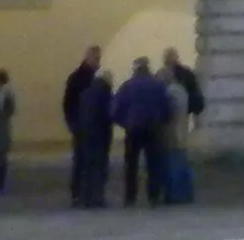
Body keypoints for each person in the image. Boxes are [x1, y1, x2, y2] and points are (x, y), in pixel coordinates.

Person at [111, 58, 170, 207]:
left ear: (135, 69)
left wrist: (124, 123)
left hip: (134, 129)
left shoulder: (128, 86)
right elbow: (166, 107)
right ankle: (154, 196)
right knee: (153, 164)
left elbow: (116, 108)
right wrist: (161, 122)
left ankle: (130, 197)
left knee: (131, 164)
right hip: (153, 128)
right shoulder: (158, 85)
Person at [62, 46, 101, 203]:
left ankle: (84, 193)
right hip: (83, 125)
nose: (99, 62)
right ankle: (80, 193)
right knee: (82, 160)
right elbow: (68, 103)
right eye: (97, 59)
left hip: (87, 125)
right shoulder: (80, 78)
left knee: (86, 160)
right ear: (88, 58)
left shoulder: (89, 77)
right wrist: (73, 122)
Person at [73, 71, 115, 208]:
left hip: (84, 134)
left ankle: (84, 197)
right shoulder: (105, 94)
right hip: (99, 134)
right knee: (98, 166)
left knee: (86, 166)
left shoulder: (85, 92)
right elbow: (107, 115)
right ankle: (97, 198)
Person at [159, 64, 194, 205]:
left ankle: (175, 195)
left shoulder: (171, 92)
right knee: (182, 164)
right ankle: (186, 194)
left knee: (173, 165)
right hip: (181, 132)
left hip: (173, 134)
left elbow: (169, 113)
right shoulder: (181, 90)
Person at [161, 47, 205, 128]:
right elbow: (195, 93)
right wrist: (196, 115)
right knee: (181, 134)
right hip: (183, 113)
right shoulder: (186, 73)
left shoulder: (160, 74)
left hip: (166, 115)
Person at [0, 71, 17, 192]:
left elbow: (9, 110)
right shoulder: (3, 92)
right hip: (2, 126)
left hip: (0, 126)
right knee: (0, 155)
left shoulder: (3, 93)